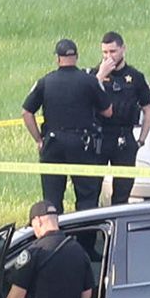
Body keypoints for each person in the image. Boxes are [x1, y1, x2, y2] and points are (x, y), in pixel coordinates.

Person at [21, 38, 112, 213]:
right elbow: (108, 111)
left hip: (53, 144)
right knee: (87, 198)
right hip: (82, 145)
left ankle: (55, 236)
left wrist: (39, 139)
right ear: (76, 57)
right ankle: (86, 238)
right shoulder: (89, 81)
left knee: (52, 199)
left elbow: (26, 112)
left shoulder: (46, 82)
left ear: (57, 58)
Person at [94, 31, 150, 206]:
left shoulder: (135, 77)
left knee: (122, 191)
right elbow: (86, 101)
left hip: (124, 137)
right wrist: (99, 76)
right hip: (100, 137)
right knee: (91, 190)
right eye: (105, 52)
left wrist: (141, 140)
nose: (108, 57)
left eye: (113, 51)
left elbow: (148, 110)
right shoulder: (94, 75)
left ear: (123, 49)